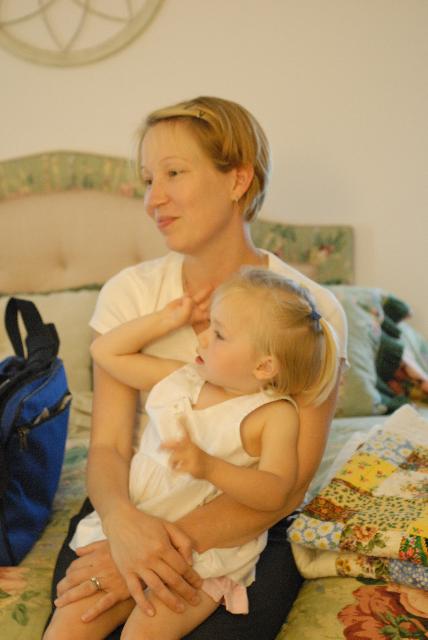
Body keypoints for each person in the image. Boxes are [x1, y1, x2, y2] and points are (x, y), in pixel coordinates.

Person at [47, 96, 348, 640]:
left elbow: (288, 487)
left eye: (174, 173)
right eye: (147, 180)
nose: (152, 199)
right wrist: (124, 530)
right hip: (134, 502)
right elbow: (109, 446)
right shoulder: (131, 295)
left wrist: (160, 549)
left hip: (248, 521)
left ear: (238, 179)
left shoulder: (309, 311)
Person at [45, 267, 338, 639]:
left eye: (219, 334)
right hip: (135, 525)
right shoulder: (183, 379)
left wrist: (210, 467)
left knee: (143, 634)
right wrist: (166, 320)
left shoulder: (272, 415)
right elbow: (104, 352)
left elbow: (276, 491)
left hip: (203, 552)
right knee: (70, 626)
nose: (201, 337)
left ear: (264, 365)